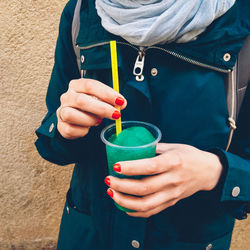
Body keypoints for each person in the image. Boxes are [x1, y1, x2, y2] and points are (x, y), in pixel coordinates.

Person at [35, 0, 250, 249]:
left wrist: (216, 172)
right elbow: (52, 143)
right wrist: (64, 127)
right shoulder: (81, 12)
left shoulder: (242, 20)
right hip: (89, 237)